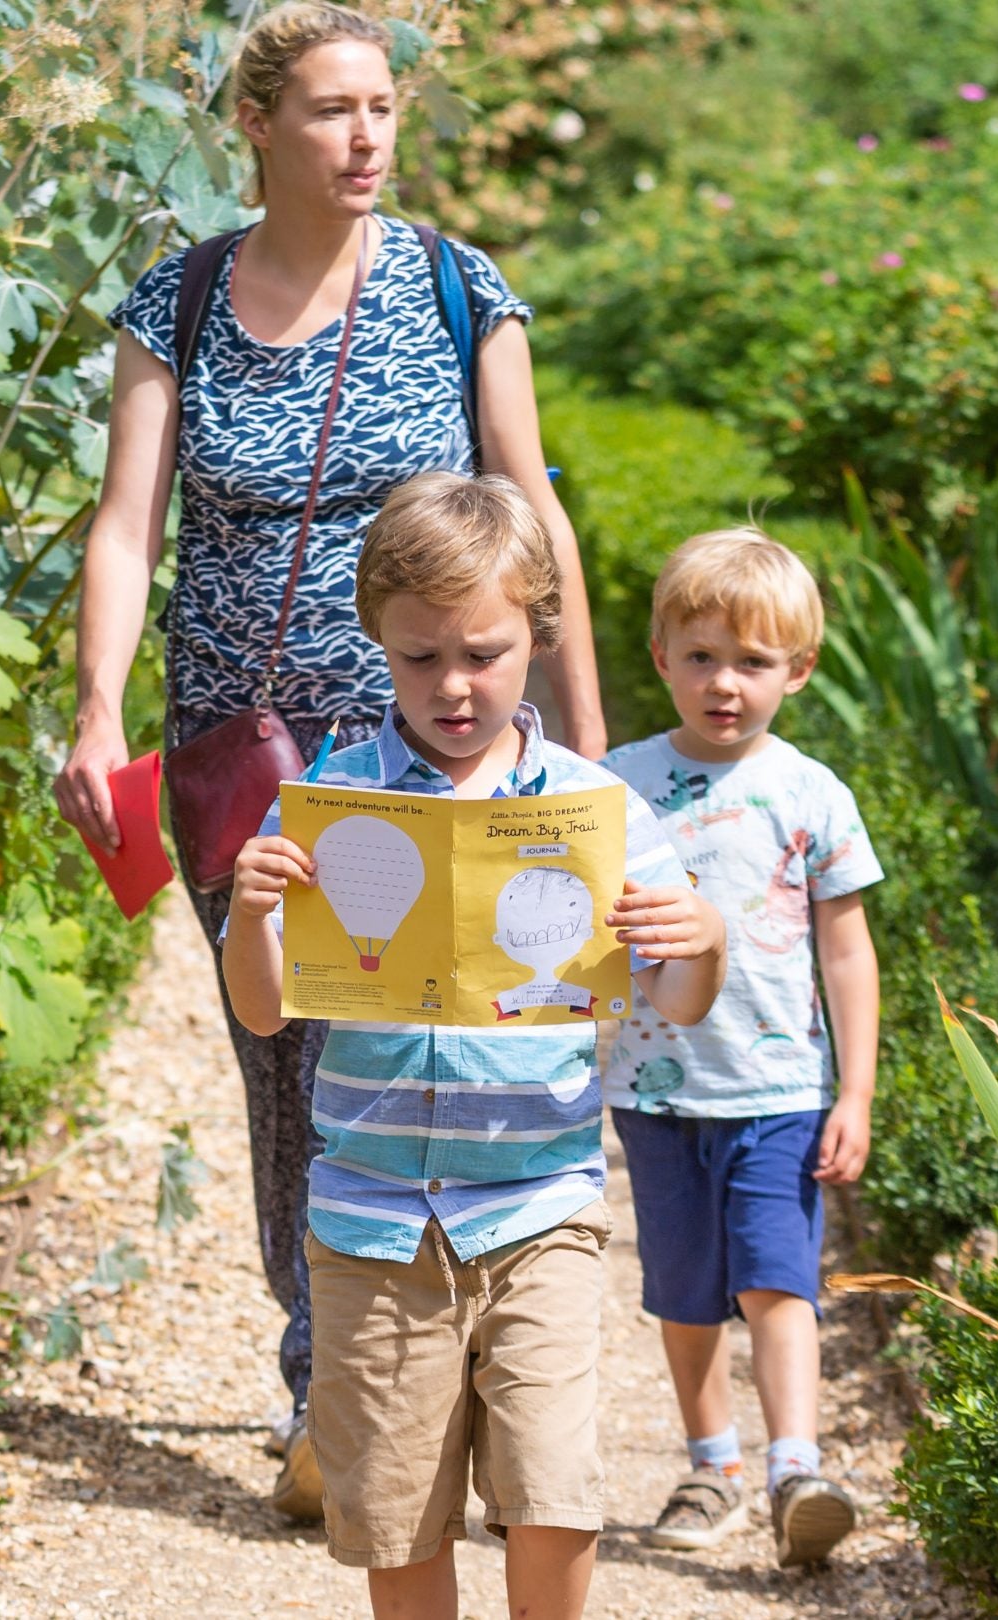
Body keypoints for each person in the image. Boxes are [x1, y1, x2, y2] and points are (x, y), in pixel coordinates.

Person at [52, 1, 608, 1516]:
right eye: (330, 110)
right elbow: (126, 526)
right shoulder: (175, 304)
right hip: (240, 752)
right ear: (257, 125)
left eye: (382, 108)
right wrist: (100, 711)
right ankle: (330, 1393)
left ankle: (498, 1373)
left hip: (445, 739)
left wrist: (590, 729)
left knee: (475, 1035)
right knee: (289, 1049)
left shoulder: (451, 283)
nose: (366, 136)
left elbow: (529, 505)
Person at [219, 473, 726, 1620]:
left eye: (485, 654)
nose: (453, 686)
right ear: (378, 643)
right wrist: (252, 916)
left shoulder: (596, 810)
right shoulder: (328, 800)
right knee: (399, 1513)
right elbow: (263, 1013)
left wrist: (702, 939)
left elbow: (681, 1000)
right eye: (419, 658)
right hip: (372, 1224)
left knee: (552, 1494)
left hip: (541, 1206)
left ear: (538, 637)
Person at [597, 528, 883, 1568]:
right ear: (662, 655)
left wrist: (854, 1092)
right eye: (704, 656)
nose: (726, 684)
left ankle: (792, 1467)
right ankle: (711, 1460)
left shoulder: (812, 794)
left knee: (777, 1280)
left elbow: (847, 954)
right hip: (656, 1087)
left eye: (754, 663)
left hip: (778, 1086)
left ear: (797, 672)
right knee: (683, 1290)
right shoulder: (614, 786)